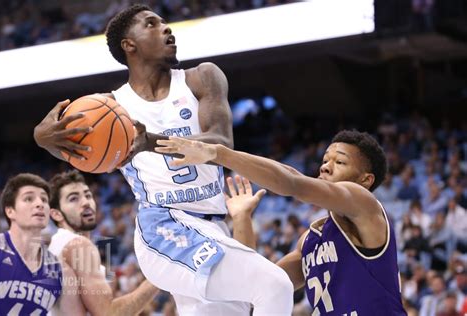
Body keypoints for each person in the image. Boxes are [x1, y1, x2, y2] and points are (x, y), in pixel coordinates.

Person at [33, 4, 294, 315]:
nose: (167, 28)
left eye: (164, 22)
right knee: (274, 285)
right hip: (165, 227)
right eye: (151, 24)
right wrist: (42, 137)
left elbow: (221, 143)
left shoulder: (202, 78)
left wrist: (150, 143)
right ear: (129, 45)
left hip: (213, 226)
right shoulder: (113, 108)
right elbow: (72, 148)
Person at [155, 129, 408, 315]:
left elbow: (292, 182)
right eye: (325, 161)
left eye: (340, 162)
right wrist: (242, 218)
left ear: (366, 180)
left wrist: (217, 153)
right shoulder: (309, 241)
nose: (326, 168)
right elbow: (254, 286)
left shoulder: (365, 205)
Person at [47, 169, 158, 316]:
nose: (86, 202)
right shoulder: (76, 244)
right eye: (73, 198)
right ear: (56, 214)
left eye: (87, 195)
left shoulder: (58, 244)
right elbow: (108, 314)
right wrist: (157, 278)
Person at [0, 173, 79, 315]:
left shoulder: (61, 270)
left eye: (44, 200)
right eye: (29, 198)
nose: (40, 204)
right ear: (10, 211)